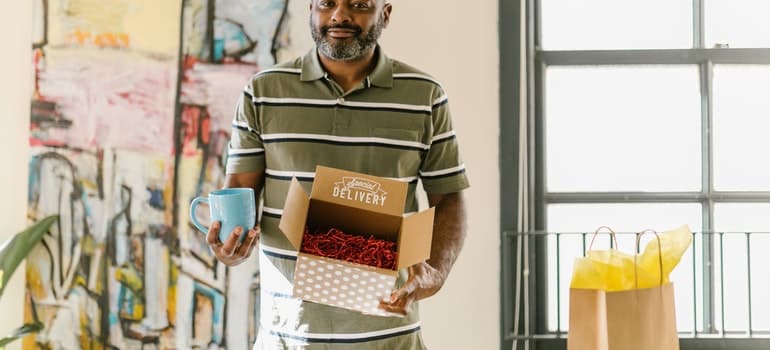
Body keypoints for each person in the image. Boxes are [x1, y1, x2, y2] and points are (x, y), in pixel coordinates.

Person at [205, 0, 469, 348]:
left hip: (389, 339)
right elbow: (240, 192)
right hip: (288, 338)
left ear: (385, 13)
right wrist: (231, 244)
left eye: (358, 4)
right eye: (327, 3)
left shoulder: (425, 95)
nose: (340, 15)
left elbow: (448, 197)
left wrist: (434, 272)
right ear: (311, 8)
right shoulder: (263, 92)